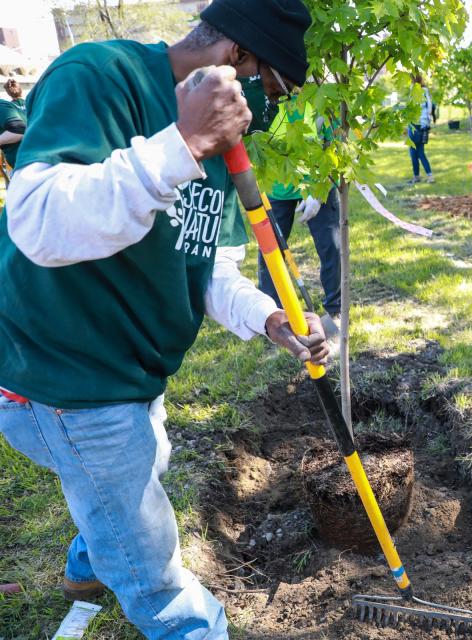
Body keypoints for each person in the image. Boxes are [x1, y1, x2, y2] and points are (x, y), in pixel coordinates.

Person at [0, 1, 324, 637]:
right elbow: (36, 222)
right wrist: (183, 141)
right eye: (276, 90)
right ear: (239, 61)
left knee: (146, 462)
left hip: (134, 372)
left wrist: (268, 318)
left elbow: (210, 268)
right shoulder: (100, 75)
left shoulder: (226, 152)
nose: (270, 111)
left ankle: (89, 561)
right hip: (66, 377)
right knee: (153, 566)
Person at [259, 104, 342, 325]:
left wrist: (319, 187)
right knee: (270, 251)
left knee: (330, 246)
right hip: (278, 185)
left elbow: (336, 145)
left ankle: (335, 311)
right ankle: (270, 314)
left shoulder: (321, 90)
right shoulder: (268, 93)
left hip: (317, 184)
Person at [407, 72, 434, 184]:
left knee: (416, 152)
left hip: (415, 125)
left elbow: (410, 108)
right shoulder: (425, 91)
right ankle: (423, 176)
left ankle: (423, 176)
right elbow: (429, 109)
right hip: (422, 125)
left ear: (413, 80)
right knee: (418, 152)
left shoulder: (415, 91)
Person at [0, 78, 27, 170]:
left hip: (24, 161)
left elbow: (19, 130)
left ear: (8, 92)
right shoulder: (32, 103)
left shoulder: (5, 107)